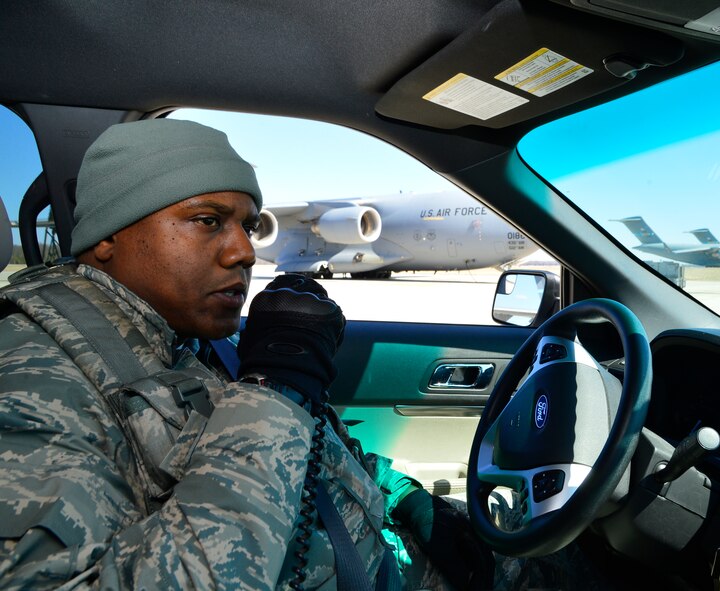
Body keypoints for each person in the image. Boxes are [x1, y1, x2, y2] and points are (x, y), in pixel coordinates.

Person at [0, 119, 495, 590]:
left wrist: (399, 494)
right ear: (108, 236)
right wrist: (272, 394)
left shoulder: (190, 338)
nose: (244, 251)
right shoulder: (33, 378)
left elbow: (317, 446)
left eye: (248, 226)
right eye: (208, 221)